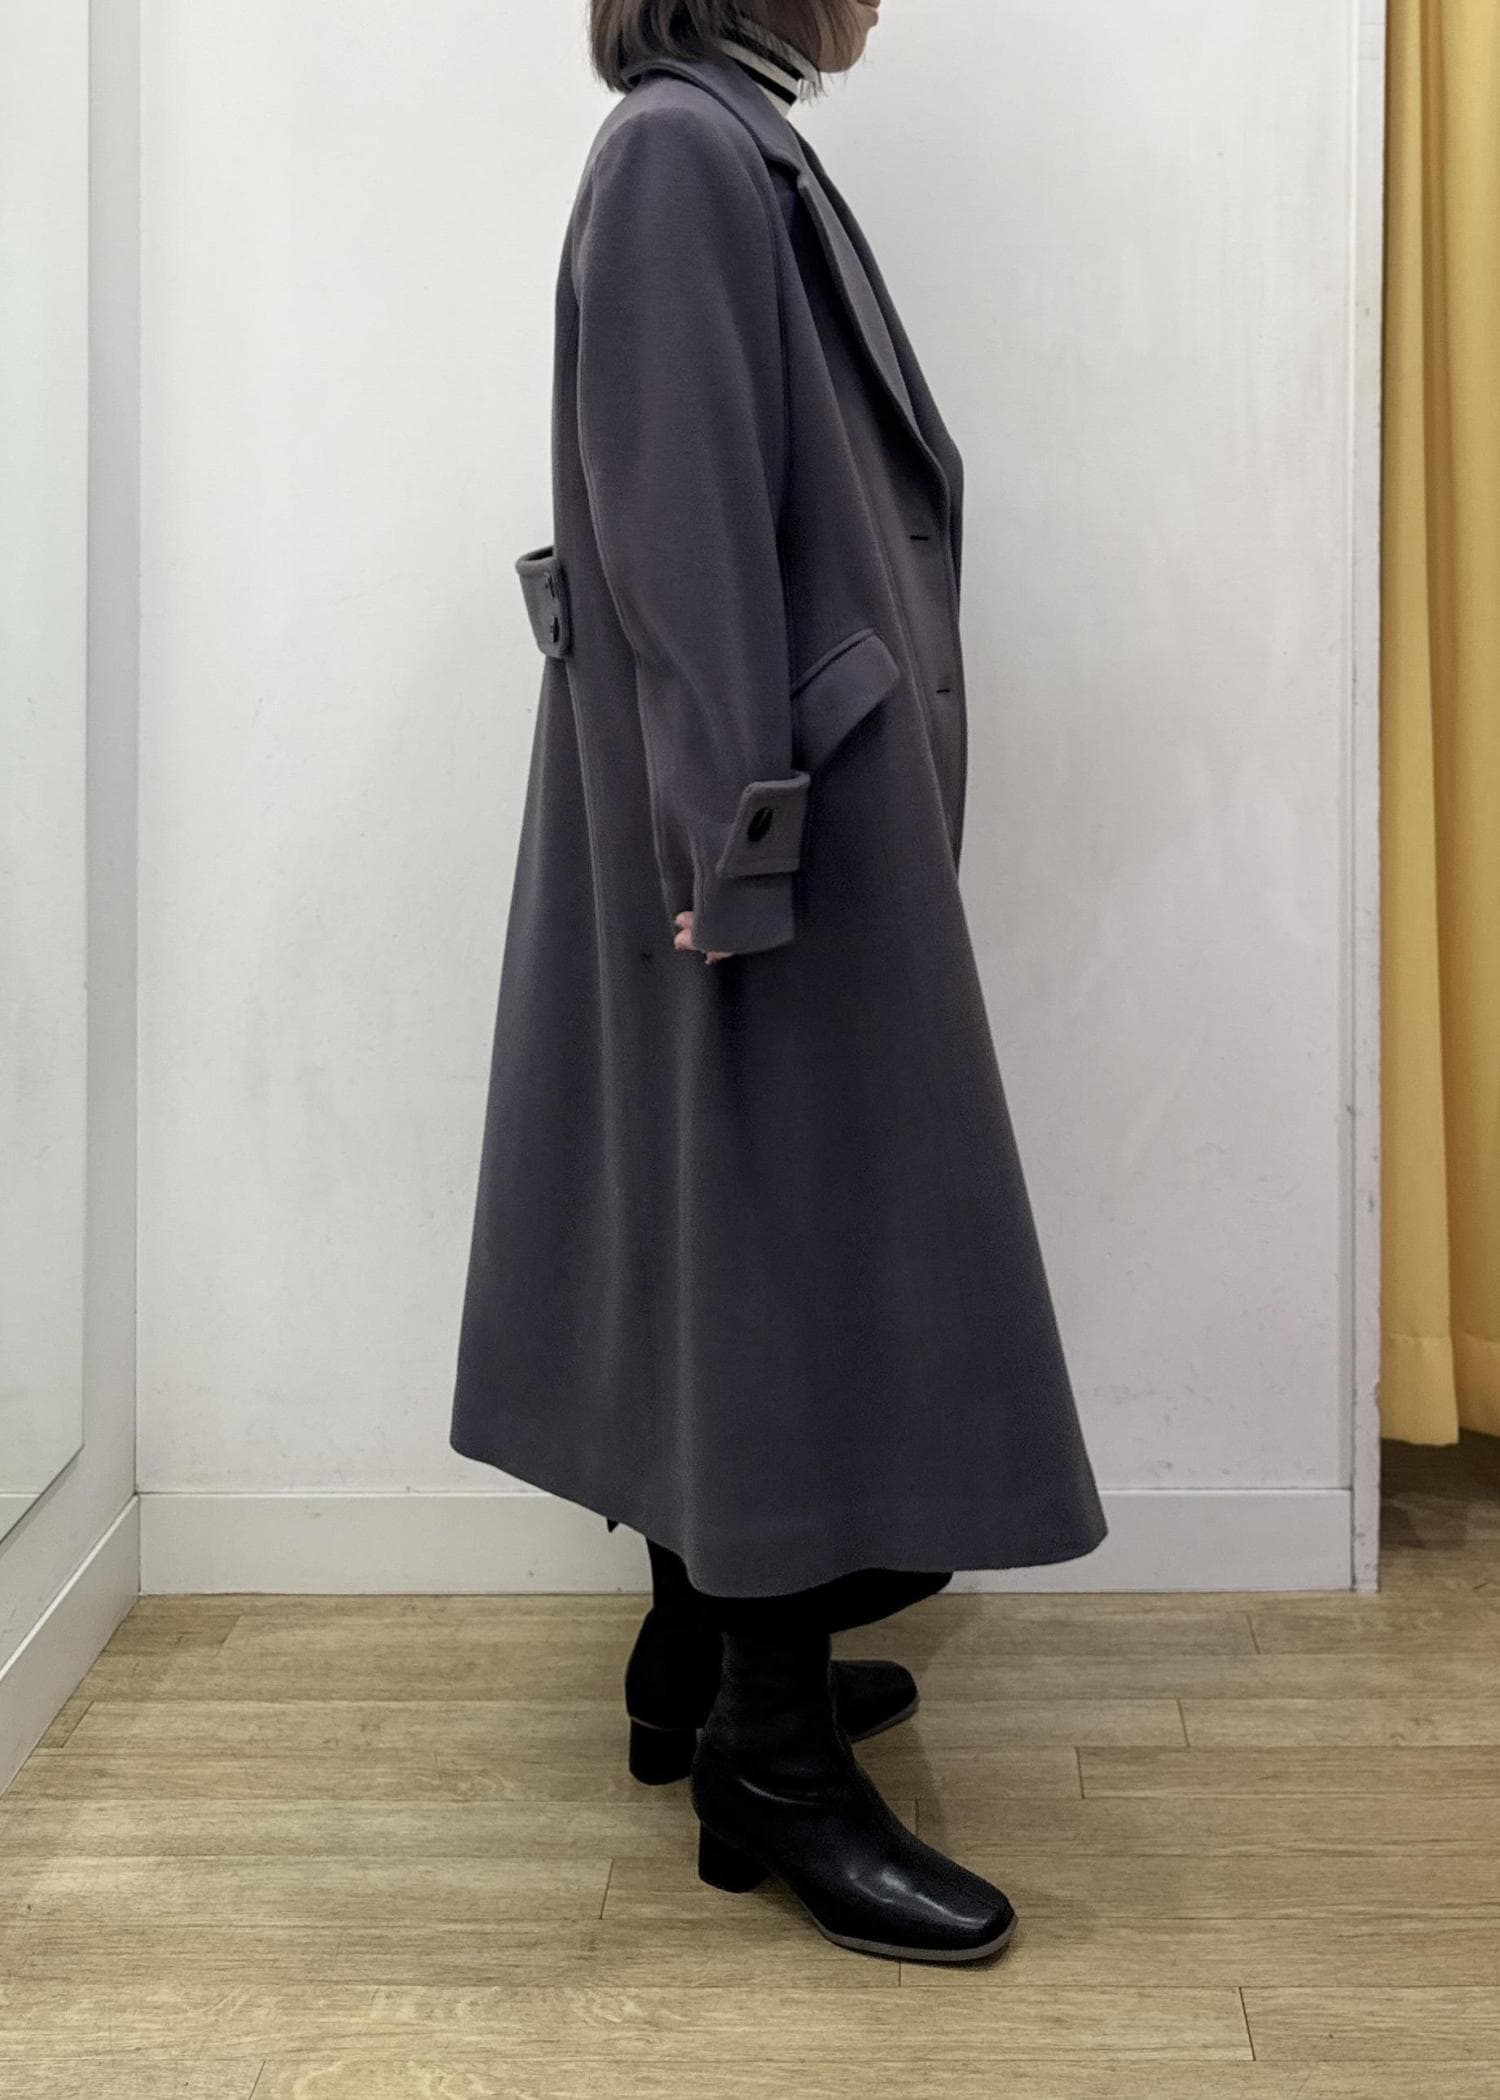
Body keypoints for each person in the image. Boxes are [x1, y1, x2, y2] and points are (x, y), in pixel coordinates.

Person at [450, 0, 1108, 1962]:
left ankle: (695, 1660)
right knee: (773, 1251)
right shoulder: (682, 153)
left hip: (766, 803)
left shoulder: (724, 140)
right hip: (755, 823)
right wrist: (735, 845)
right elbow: (678, 541)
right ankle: (770, 1751)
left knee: (731, 1229)